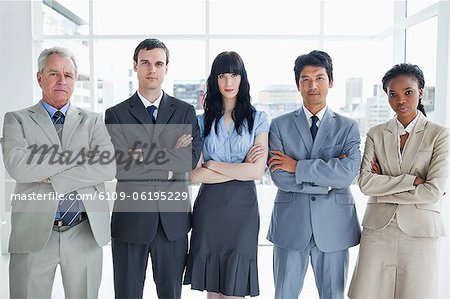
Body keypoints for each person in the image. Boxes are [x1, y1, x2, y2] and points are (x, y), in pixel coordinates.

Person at [1, 47, 115, 298]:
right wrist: (80, 158)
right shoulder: (17, 119)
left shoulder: (93, 120)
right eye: (54, 73)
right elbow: (18, 166)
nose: (62, 80)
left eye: (68, 75)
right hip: (33, 234)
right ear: (39, 78)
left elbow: (107, 166)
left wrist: (47, 173)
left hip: (84, 232)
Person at [105, 38, 202, 299]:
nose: (152, 69)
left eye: (159, 63)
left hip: (173, 224)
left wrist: (143, 157)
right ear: (135, 66)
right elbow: (121, 165)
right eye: (145, 63)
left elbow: (190, 160)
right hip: (131, 221)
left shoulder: (185, 112)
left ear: (166, 68)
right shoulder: (116, 114)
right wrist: (172, 163)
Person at [348, 63, 449, 299]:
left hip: (420, 232)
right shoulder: (376, 133)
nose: (400, 100)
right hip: (378, 230)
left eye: (408, 92)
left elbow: (433, 191)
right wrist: (412, 180)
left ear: (421, 91)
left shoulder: (439, 134)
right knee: (368, 293)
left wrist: (384, 184)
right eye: (393, 94)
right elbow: (365, 184)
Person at [267, 50, 361, 299]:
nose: (312, 85)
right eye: (305, 79)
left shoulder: (348, 127)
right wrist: (327, 179)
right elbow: (279, 177)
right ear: (297, 84)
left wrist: (297, 166)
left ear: (330, 81)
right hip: (290, 226)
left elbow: (347, 175)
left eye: (319, 78)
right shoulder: (278, 125)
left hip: (334, 228)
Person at [183, 51, 269, 298]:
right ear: (215, 80)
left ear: (242, 78)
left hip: (244, 211)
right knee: (213, 289)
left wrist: (211, 164)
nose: (228, 82)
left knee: (235, 288)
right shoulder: (200, 122)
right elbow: (193, 176)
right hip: (210, 209)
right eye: (222, 75)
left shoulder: (258, 119)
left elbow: (256, 170)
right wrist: (238, 167)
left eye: (234, 74)